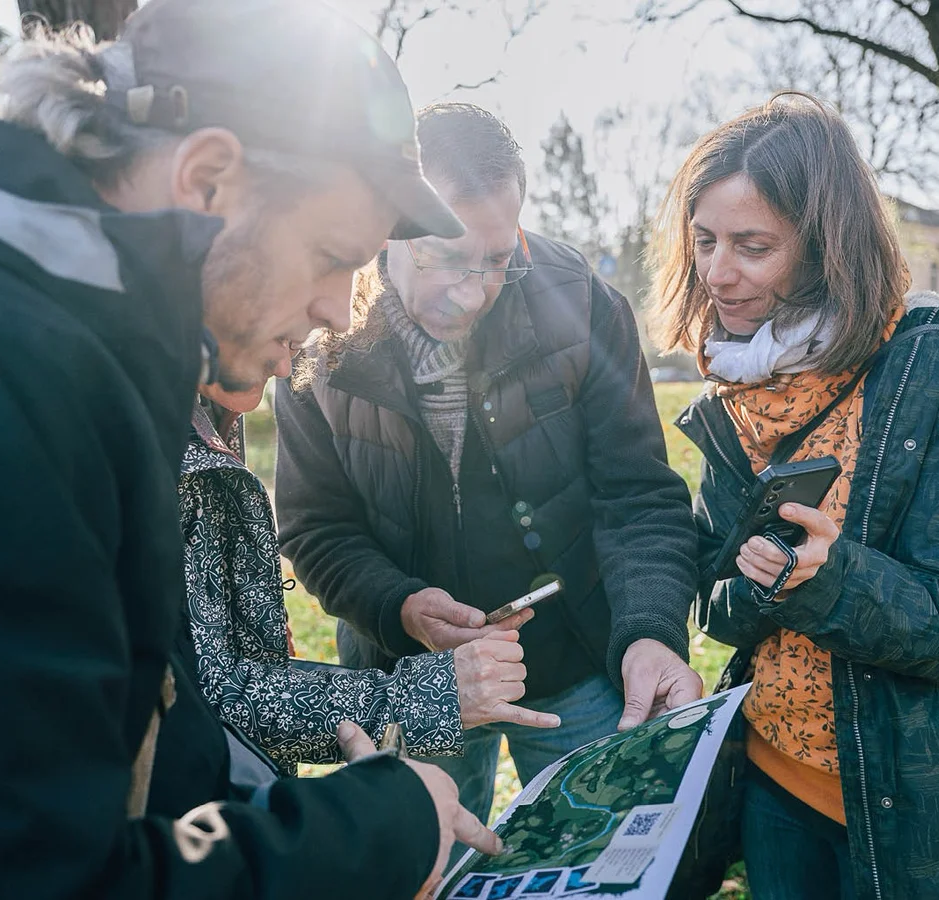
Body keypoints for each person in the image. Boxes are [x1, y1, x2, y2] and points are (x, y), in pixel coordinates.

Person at [0, 2, 500, 897]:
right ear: (208, 179)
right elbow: (28, 875)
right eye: (332, 255)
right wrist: (374, 832)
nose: (336, 314)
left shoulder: (64, 341)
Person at [650, 93, 939, 899]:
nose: (717, 272)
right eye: (704, 240)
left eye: (753, 245)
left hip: (932, 808)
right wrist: (750, 581)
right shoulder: (730, 397)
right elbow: (721, 601)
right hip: (777, 787)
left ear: (825, 247)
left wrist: (828, 579)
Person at [274, 102, 703, 833]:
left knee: (594, 854)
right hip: (408, 678)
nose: (472, 292)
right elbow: (317, 528)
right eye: (443, 256)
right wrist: (400, 606)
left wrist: (651, 630)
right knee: (424, 868)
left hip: (578, 664)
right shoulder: (318, 323)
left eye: (498, 260)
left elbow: (638, 497)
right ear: (392, 229)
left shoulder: (583, 304)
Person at [180, 381, 559, 773]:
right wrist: (408, 646)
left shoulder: (216, 396)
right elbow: (205, 691)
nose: (285, 368)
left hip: (564, 664)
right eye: (283, 340)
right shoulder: (165, 431)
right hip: (397, 669)